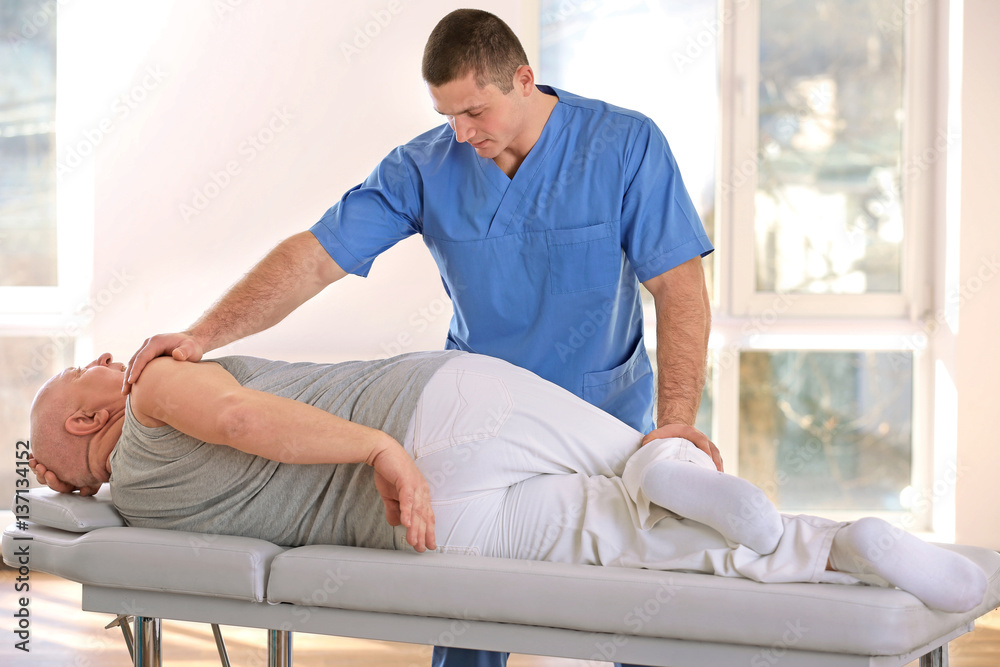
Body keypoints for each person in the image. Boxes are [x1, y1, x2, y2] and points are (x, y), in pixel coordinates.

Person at [30, 352, 988, 616]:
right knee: (631, 464)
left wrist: (43, 479)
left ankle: (836, 549)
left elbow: (48, 505)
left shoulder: (131, 505)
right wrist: (380, 449)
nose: (107, 356)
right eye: (84, 370)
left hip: (432, 526)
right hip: (430, 417)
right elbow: (242, 419)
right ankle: (666, 464)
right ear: (85, 419)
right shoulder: (152, 384)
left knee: (625, 537)